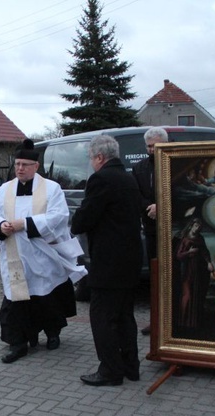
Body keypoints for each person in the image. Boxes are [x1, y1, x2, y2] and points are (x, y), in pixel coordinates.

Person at [0, 139, 85, 363]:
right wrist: (1, 226)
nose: (20, 168)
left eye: (25, 165)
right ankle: (18, 343)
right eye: (17, 164)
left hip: (42, 255)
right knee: (16, 299)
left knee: (46, 297)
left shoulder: (51, 189)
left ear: (36, 166)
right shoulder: (4, 190)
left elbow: (58, 217)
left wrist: (26, 224)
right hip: (14, 255)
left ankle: (52, 333)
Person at [71, 134, 143, 386]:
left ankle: (110, 371)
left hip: (109, 262)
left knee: (101, 316)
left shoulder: (101, 179)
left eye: (91, 158)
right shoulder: (128, 177)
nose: (91, 162)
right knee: (124, 316)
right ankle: (130, 367)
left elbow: (84, 219)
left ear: (100, 157)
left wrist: (79, 215)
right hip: (130, 259)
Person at [132, 127, 168, 335]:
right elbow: (136, 194)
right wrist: (150, 207)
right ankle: (156, 321)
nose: (152, 150)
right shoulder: (140, 168)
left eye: (155, 145)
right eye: (149, 146)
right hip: (151, 227)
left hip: (174, 230)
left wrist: (161, 206)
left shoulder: (175, 163)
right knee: (155, 275)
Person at [175, 217, 213, 330]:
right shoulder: (184, 239)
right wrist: (189, 252)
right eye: (196, 226)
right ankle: (183, 320)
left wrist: (209, 262)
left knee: (196, 295)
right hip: (186, 270)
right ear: (191, 226)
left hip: (197, 270)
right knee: (187, 295)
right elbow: (178, 255)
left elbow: (205, 252)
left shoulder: (200, 238)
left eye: (199, 227)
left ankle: (192, 322)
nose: (197, 228)